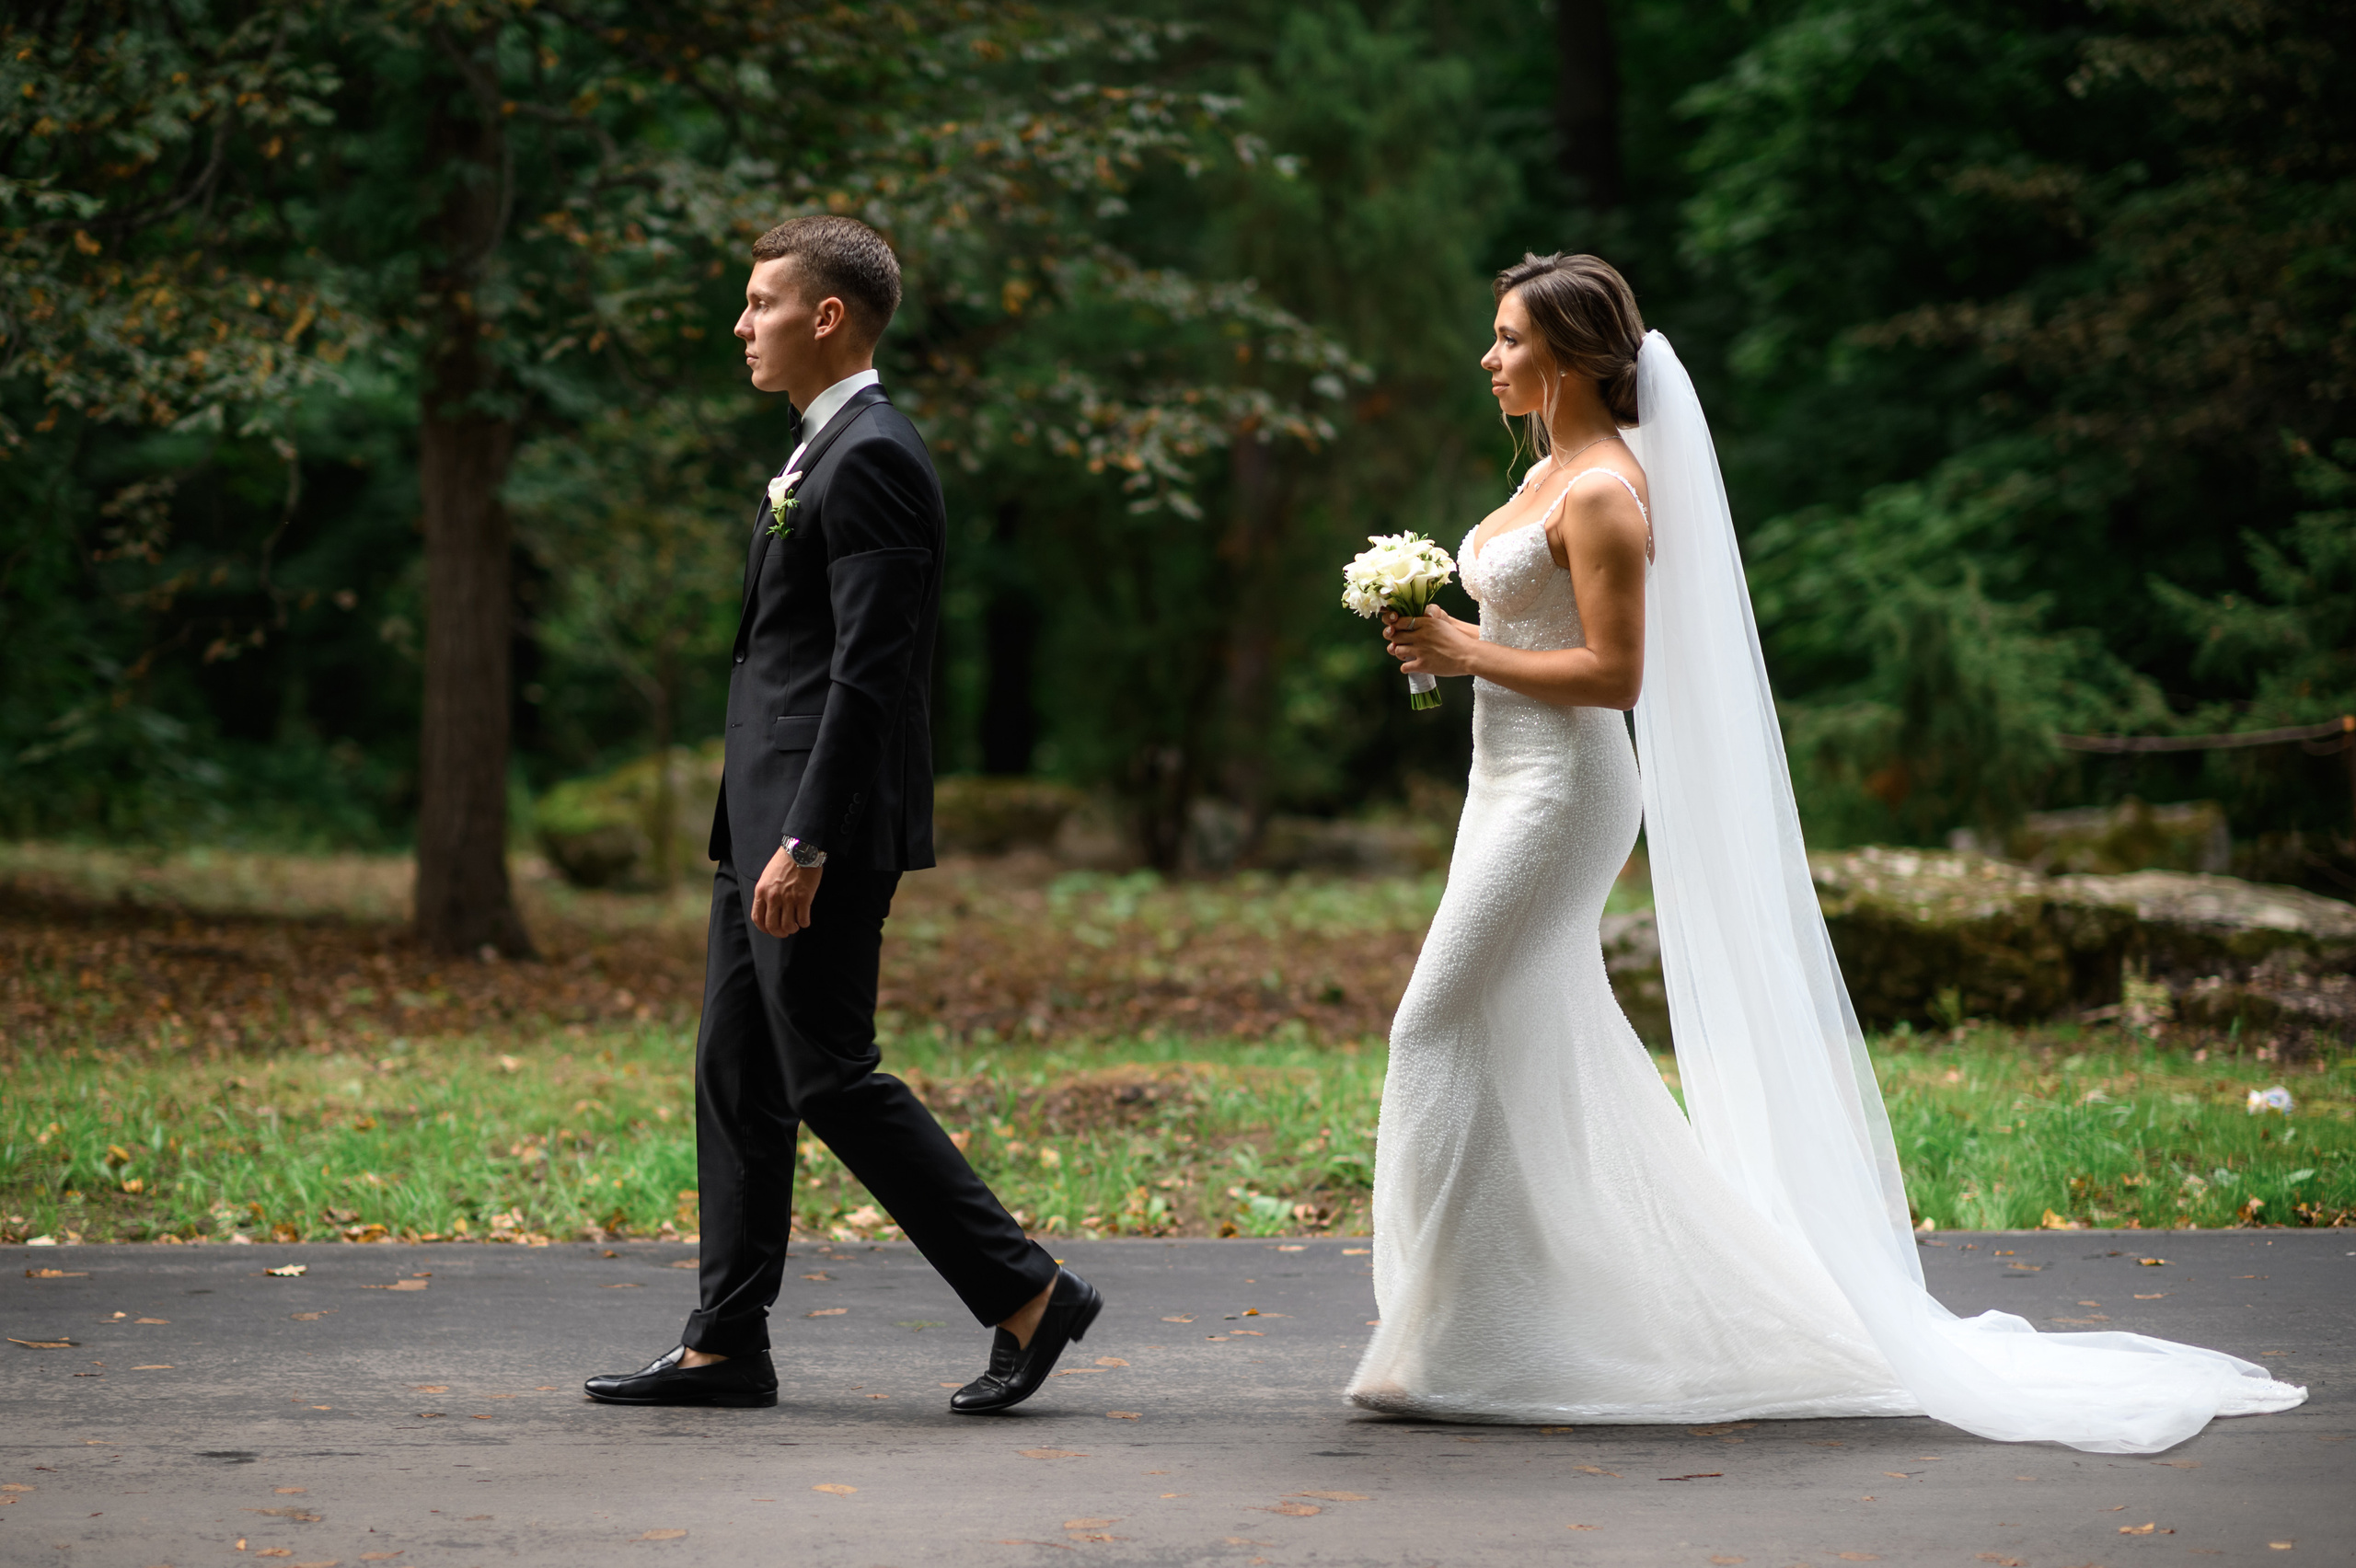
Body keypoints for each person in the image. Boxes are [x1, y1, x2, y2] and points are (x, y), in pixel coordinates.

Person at [1357, 251, 2304, 1453]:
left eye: (1508, 338)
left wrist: (1467, 652)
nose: (1489, 357)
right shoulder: (1545, 470)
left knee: (1433, 1021)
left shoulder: (1603, 490)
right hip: (1499, 787)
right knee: (1520, 1030)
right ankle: (1501, 1328)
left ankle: (1483, 1328)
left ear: (1576, 354)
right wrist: (1447, 646)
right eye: (1493, 338)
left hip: (1564, 795)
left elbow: (1619, 675)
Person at [584, 215, 1101, 1414]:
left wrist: (807, 840)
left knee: (828, 1075)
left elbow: (873, 671)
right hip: (758, 821)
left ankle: (1029, 1295)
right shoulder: (823, 451)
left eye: (761, 303)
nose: (740, 324)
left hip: (815, 830)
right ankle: (725, 1343)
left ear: (826, 318)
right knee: (736, 1071)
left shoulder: (872, 454)